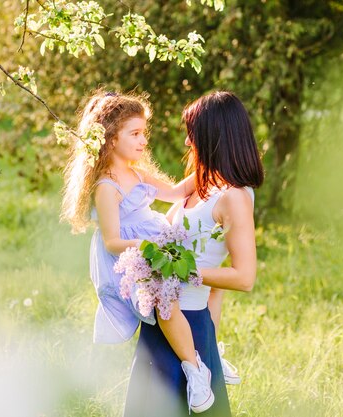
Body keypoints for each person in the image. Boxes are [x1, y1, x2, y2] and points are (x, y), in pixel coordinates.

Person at [60, 91, 215, 412]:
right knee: (166, 301)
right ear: (111, 139)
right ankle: (196, 369)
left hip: (153, 249)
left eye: (144, 132)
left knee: (205, 272)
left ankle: (210, 353)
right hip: (131, 262)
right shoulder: (107, 186)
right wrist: (153, 247)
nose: (144, 140)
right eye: (135, 133)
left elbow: (175, 192)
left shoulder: (136, 173)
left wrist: (213, 161)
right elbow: (112, 241)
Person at [124, 91, 264, 416]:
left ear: (213, 135)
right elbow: (162, 190)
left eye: (193, 133)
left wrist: (181, 272)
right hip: (162, 320)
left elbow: (244, 278)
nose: (188, 142)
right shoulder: (203, 180)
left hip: (188, 320)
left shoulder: (234, 198)